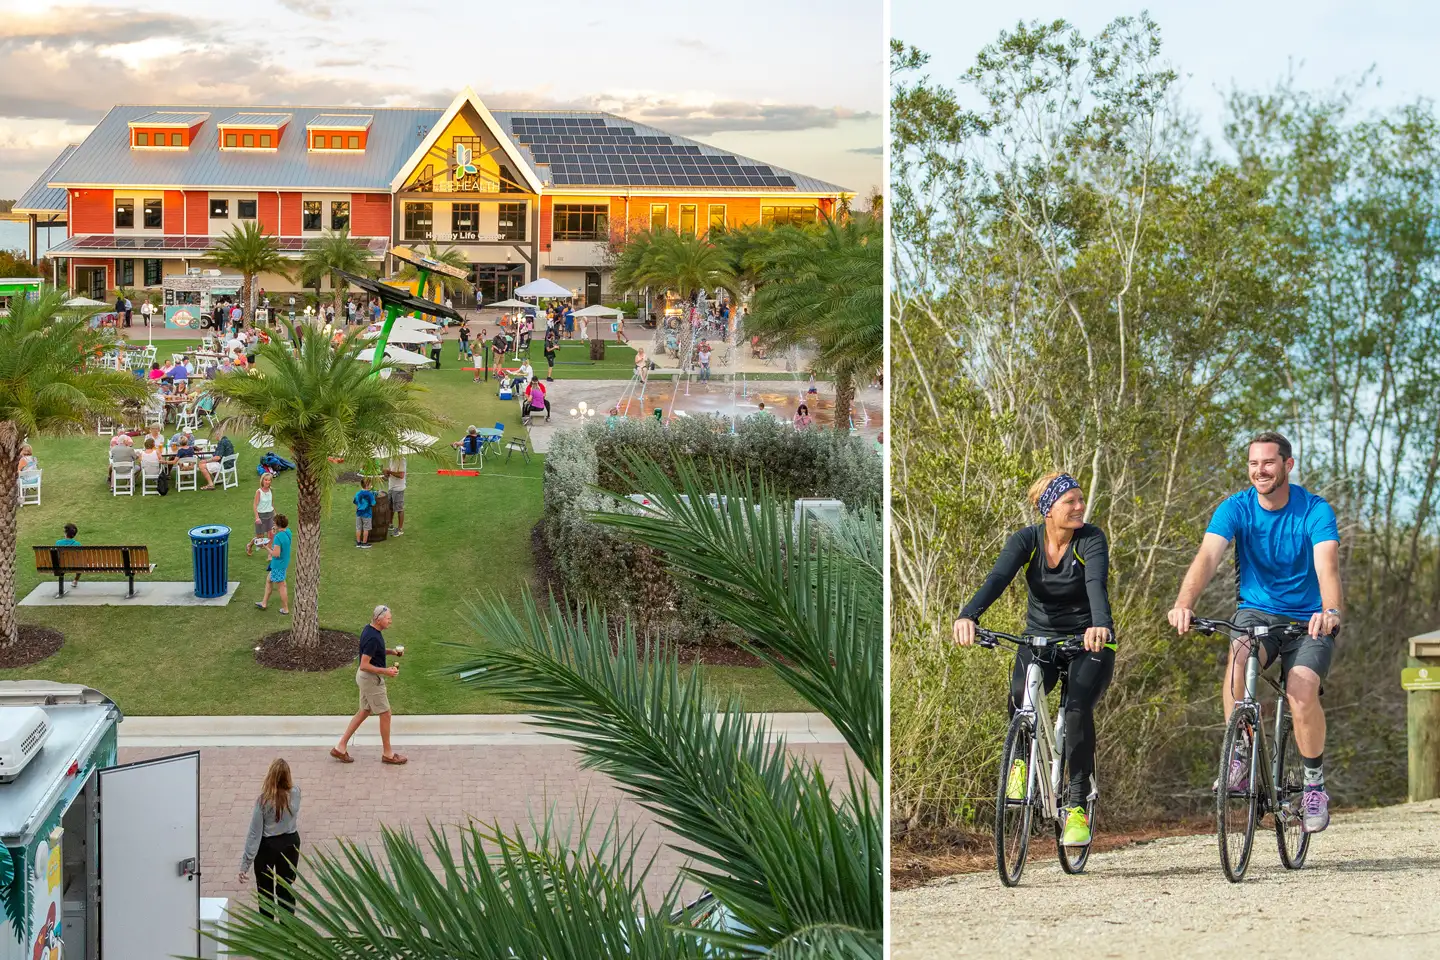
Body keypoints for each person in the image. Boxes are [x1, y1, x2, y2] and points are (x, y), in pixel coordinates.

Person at [1168, 431, 1341, 834]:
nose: (1259, 470)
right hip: (1256, 614)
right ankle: (1241, 754)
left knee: (1300, 691)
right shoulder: (1236, 508)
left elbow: (1327, 569)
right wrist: (1184, 603)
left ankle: (1314, 784)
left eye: (1268, 462)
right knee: (1239, 655)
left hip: (1308, 622)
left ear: (1288, 465)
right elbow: (1207, 558)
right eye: (1253, 464)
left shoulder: (1314, 510)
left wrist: (1329, 611)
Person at [952, 471, 1115, 847]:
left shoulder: (1090, 539)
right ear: (1048, 510)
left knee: (1076, 710)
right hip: (1040, 640)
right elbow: (997, 579)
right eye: (1069, 501)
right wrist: (968, 615)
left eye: (1079, 499)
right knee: (1018, 694)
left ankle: (1076, 807)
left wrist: (1099, 626)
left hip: (1088, 642)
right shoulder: (1026, 541)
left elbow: (1096, 585)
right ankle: (1021, 763)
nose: (1079, 507)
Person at [331, 605, 407, 765]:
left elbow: (375, 651)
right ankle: (388, 754)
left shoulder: (370, 630)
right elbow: (365, 664)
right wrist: (386, 671)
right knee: (385, 713)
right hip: (371, 679)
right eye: (388, 618)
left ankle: (340, 747)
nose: (390, 621)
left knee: (364, 711)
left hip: (364, 678)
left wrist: (392, 652)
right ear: (379, 619)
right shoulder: (373, 637)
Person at [238, 758, 302, 919]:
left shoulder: (263, 801)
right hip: (290, 843)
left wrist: (245, 864)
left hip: (268, 846)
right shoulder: (295, 793)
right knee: (286, 888)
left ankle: (268, 930)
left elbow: (255, 833)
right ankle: (288, 930)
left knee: (265, 890)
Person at [256, 514, 291, 613]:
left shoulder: (278, 538)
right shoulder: (288, 532)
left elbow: (276, 554)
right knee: (269, 580)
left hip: (278, 565)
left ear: (278, 525)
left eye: (275, 523)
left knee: (282, 586)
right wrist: (275, 532)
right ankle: (264, 603)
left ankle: (285, 609)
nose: (273, 524)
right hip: (284, 562)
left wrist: (265, 547)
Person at [247, 472, 276, 557]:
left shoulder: (271, 490)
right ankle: (249, 545)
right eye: (266, 480)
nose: (267, 482)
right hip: (261, 516)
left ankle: (270, 555)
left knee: (271, 535)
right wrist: (257, 517)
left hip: (270, 515)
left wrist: (275, 515)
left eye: (269, 480)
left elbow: (272, 504)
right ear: (262, 481)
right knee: (260, 540)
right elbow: (255, 505)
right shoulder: (259, 492)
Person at [384, 456, 406, 537]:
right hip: (391, 487)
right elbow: (390, 474)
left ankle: (400, 529)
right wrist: (386, 474)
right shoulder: (391, 459)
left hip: (398, 488)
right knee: (390, 507)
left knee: (399, 509)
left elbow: (401, 475)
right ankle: (390, 524)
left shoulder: (401, 460)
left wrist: (389, 472)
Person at [55, 523, 81, 588]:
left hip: (61, 565)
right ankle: (75, 580)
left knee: (61, 562)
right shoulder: (77, 544)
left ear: (65, 533)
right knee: (80, 565)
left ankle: (61, 581)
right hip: (74, 565)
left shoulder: (58, 543)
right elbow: (80, 557)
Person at [353, 477, 377, 549]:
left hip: (358, 513)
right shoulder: (370, 494)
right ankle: (364, 543)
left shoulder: (358, 493)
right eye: (370, 484)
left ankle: (358, 542)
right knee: (366, 528)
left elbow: (355, 502)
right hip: (367, 514)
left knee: (358, 528)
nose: (371, 485)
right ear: (367, 485)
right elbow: (373, 504)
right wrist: (374, 496)